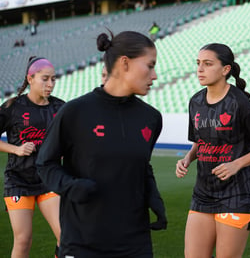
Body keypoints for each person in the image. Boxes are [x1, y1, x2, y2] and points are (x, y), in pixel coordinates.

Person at [36, 30, 167, 257]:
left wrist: (152, 195)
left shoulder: (151, 118)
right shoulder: (75, 112)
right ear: (125, 63)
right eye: (150, 65)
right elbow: (45, 163)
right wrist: (70, 186)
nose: (154, 75)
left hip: (135, 243)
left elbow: (140, 165)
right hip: (83, 242)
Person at [176, 43, 250, 258]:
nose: (200, 69)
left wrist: (236, 164)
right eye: (198, 64)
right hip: (202, 194)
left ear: (225, 70)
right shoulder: (195, 101)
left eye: (208, 64)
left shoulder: (241, 103)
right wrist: (187, 158)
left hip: (237, 195)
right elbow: (199, 142)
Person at [0, 56, 63, 257]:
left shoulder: (60, 108)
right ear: (30, 78)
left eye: (53, 79)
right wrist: (15, 149)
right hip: (19, 180)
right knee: (23, 240)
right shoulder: (12, 107)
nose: (50, 84)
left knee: (67, 235)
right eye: (45, 79)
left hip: (49, 179)